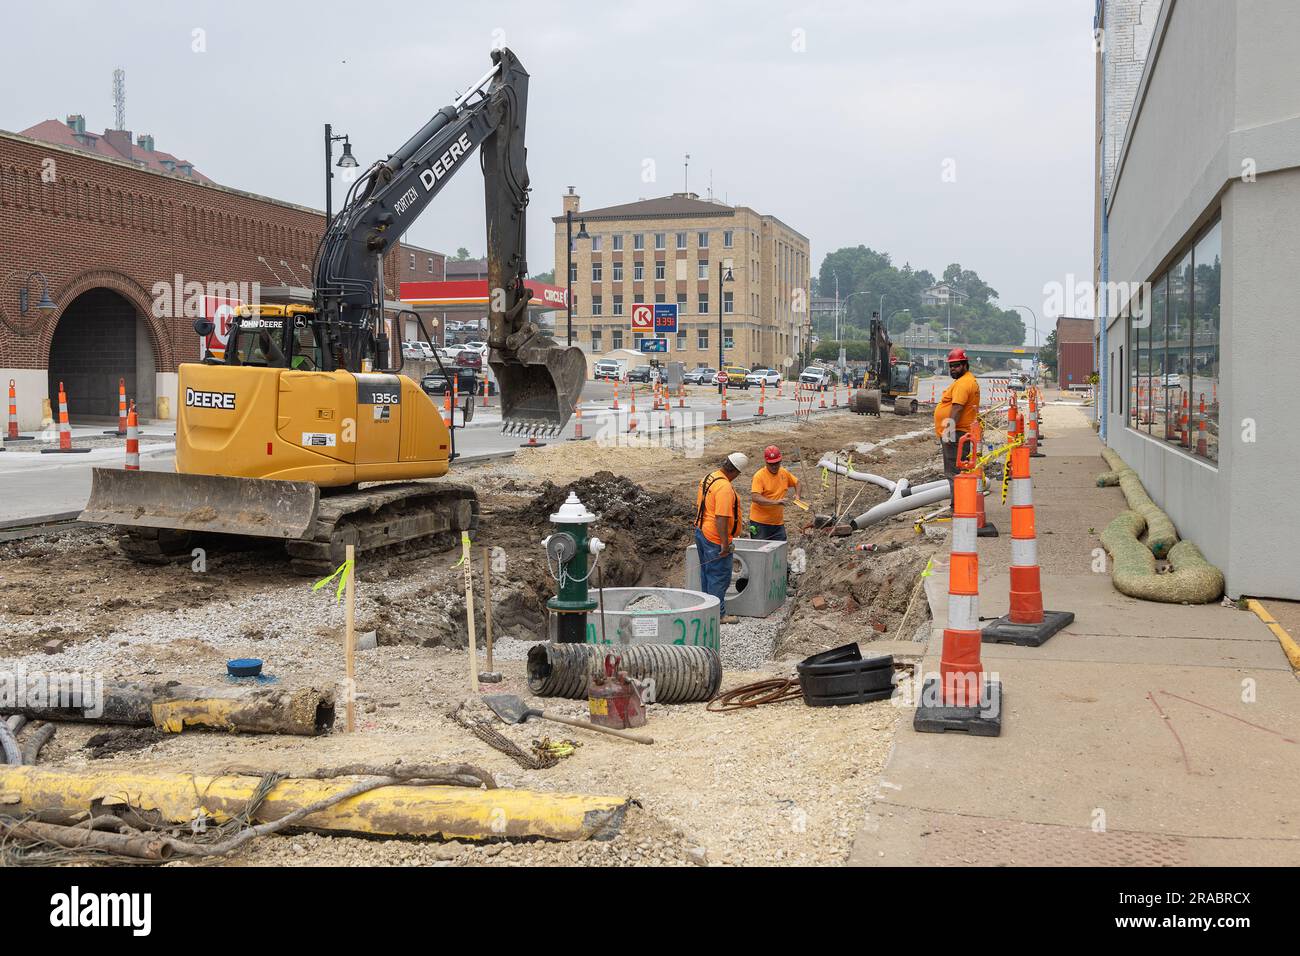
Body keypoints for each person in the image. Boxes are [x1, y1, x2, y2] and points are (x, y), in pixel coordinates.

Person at [695, 452, 748, 618]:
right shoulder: (724, 487)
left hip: (702, 531)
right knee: (719, 577)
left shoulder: (709, 477)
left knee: (707, 574)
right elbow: (722, 518)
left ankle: (707, 610)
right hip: (715, 538)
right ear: (736, 471)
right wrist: (725, 545)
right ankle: (718, 615)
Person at [934, 347, 980, 497]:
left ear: (965, 365)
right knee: (960, 471)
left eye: (957, 365)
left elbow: (957, 409)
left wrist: (948, 433)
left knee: (954, 473)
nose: (953, 369)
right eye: (951, 366)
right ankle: (963, 505)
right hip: (962, 433)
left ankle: (959, 508)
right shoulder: (967, 380)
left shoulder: (962, 383)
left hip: (957, 434)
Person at [749, 445, 799, 541]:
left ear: (780, 461)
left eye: (777, 463)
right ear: (766, 462)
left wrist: (797, 495)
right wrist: (776, 502)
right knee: (761, 551)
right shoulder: (759, 476)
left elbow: (797, 483)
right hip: (760, 523)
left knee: (780, 549)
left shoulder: (783, 473)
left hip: (777, 524)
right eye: (771, 464)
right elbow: (755, 497)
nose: (774, 466)